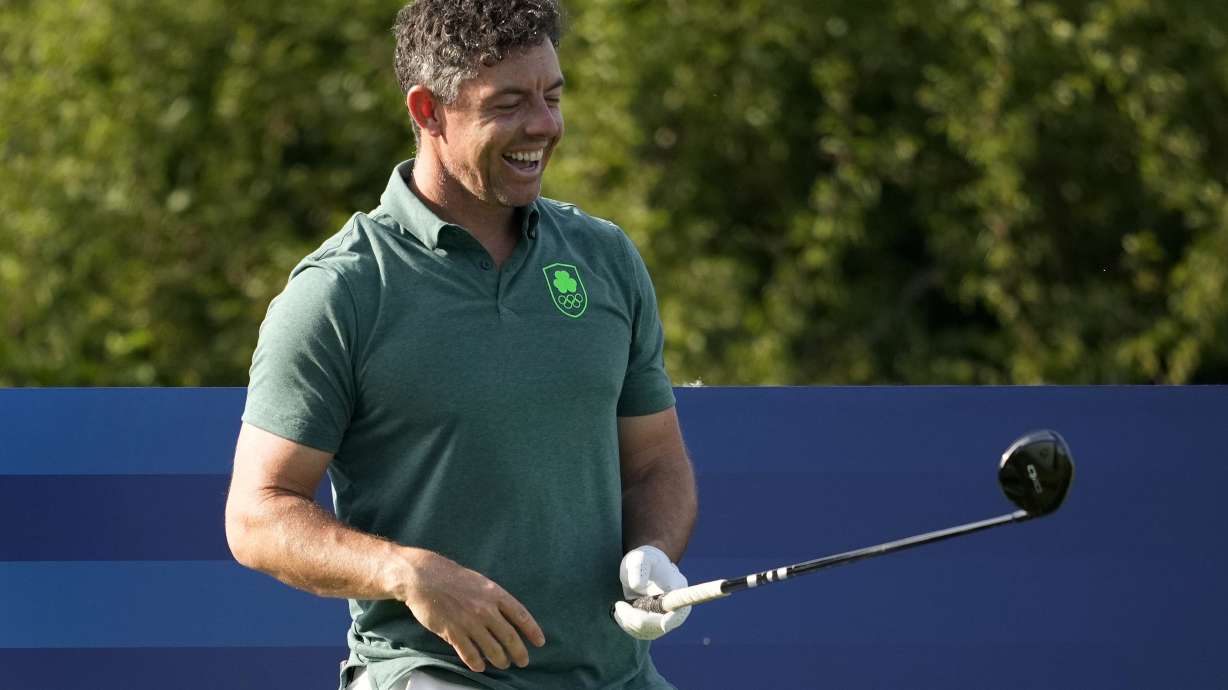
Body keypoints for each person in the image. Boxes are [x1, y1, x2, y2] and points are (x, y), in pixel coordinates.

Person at [223, 1, 698, 688]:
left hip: (615, 674)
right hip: (432, 674)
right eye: (508, 103)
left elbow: (656, 465)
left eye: (552, 96)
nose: (544, 124)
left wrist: (654, 551)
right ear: (427, 110)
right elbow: (256, 515)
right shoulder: (342, 290)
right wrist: (407, 572)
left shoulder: (606, 259)